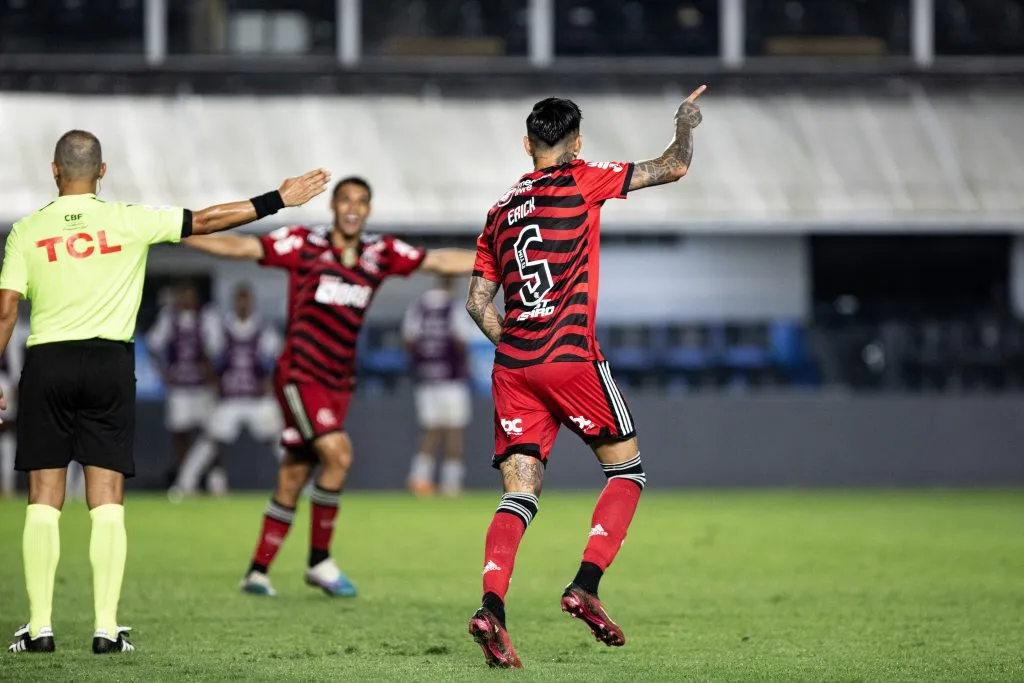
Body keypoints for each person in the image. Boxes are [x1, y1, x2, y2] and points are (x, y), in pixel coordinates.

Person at [0, 128, 328, 655]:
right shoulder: (130, 218)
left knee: (44, 499)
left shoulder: (26, 231)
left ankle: (39, 629)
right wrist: (277, 199)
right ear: (102, 172)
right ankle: (106, 630)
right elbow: (209, 219)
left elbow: (7, 309)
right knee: (106, 500)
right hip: (108, 361)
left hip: (48, 362)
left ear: (54, 170)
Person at [464, 88, 706, 668]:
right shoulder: (582, 177)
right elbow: (673, 166)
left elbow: (477, 304)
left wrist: (522, 348)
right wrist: (685, 121)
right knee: (627, 471)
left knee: (519, 493)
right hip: (570, 356)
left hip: (513, 366)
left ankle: (491, 609)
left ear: (527, 144)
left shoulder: (498, 212)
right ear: (576, 144)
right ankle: (586, 586)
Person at [183, 176, 476, 598]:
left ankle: (257, 572)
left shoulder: (381, 253)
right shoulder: (304, 244)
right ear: (333, 208)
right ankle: (320, 562)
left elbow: (437, 261)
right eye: (345, 201)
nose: (353, 208)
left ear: (369, 210)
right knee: (339, 454)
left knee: (295, 474)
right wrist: (184, 233)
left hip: (338, 381)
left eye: (361, 201)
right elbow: (244, 247)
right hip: (301, 375)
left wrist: (496, 259)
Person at [169, 283, 283, 498]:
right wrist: (215, 384)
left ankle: (301, 484)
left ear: (252, 301)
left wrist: (270, 385)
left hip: (256, 397)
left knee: (280, 438)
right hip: (230, 397)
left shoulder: (263, 329)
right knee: (209, 440)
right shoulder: (222, 329)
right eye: (239, 299)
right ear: (233, 301)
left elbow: (275, 362)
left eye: (246, 299)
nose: (242, 304)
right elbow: (210, 359)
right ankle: (184, 483)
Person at [403, 275, 475, 497]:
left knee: (431, 429)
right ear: (453, 285)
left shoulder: (419, 307)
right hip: (451, 377)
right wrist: (466, 366)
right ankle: (451, 484)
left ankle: (420, 478)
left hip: (426, 376)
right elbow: (460, 338)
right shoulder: (454, 307)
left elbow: (408, 339)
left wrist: (421, 363)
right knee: (454, 429)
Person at [145, 280, 221, 491]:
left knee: (211, 433)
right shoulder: (169, 318)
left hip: (203, 386)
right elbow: (153, 345)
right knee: (180, 434)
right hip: (179, 386)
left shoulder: (207, 318)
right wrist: (163, 372)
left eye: (191, 295)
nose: (187, 300)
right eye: (183, 295)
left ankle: (215, 479)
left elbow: (217, 350)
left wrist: (212, 372)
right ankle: (185, 479)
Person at [0, 314, 28, 498]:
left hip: (9, 384)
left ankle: (7, 486)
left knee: (8, 435)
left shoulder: (16, 327)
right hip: (7, 383)